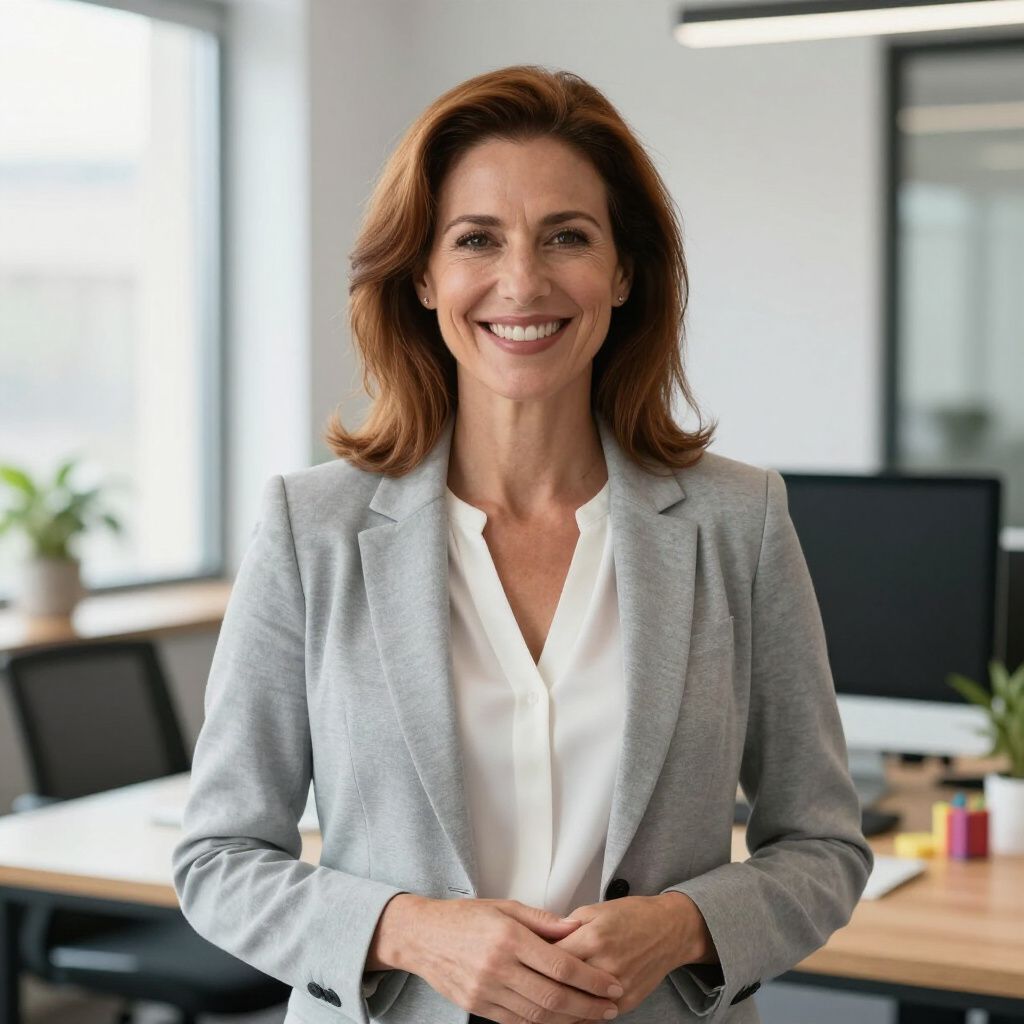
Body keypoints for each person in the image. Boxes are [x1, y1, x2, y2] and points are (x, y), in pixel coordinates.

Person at [171, 65, 873, 1024]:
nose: (522, 282)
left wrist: (681, 923)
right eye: (476, 240)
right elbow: (216, 860)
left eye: (567, 238)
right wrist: (409, 930)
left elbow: (825, 847)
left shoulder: (737, 522)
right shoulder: (312, 528)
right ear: (423, 274)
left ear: (623, 272)